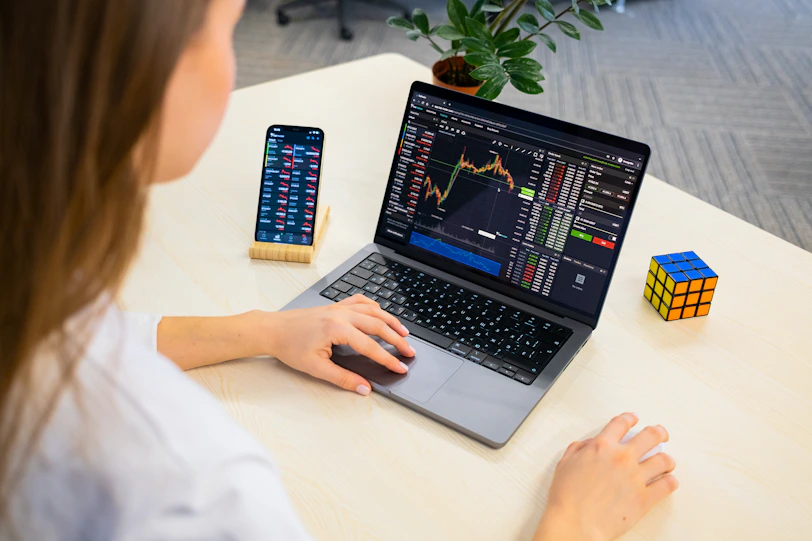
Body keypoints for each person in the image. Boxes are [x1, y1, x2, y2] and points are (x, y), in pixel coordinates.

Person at [0, 0, 678, 539]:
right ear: (148, 72)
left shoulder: (28, 304)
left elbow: (86, 339)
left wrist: (267, 329)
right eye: (227, 30)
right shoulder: (194, 484)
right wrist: (573, 524)